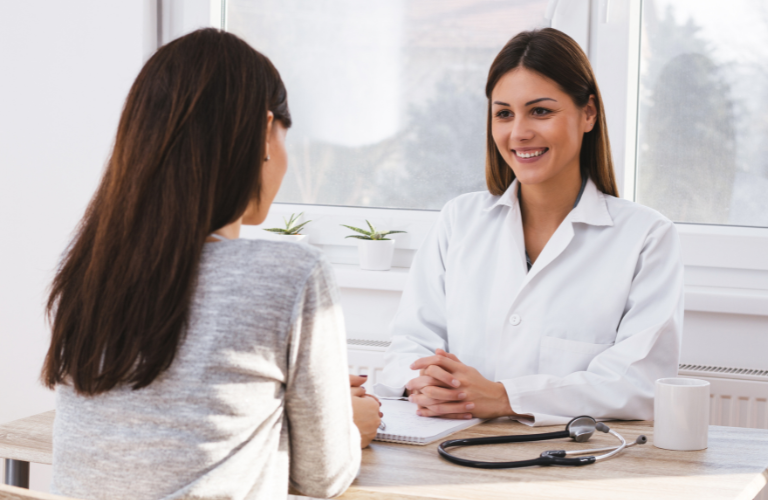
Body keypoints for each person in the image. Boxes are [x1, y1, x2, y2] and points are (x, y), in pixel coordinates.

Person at [43, 28, 379, 500]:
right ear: (265, 132)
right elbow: (320, 478)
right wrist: (343, 420)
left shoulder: (86, 271)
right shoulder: (290, 273)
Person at [375, 28, 684, 426]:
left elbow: (639, 382)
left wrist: (506, 398)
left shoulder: (646, 237)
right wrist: (423, 380)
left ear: (588, 113)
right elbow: (411, 341)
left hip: (571, 462)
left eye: (540, 111)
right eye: (504, 113)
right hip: (450, 443)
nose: (518, 132)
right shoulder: (459, 220)